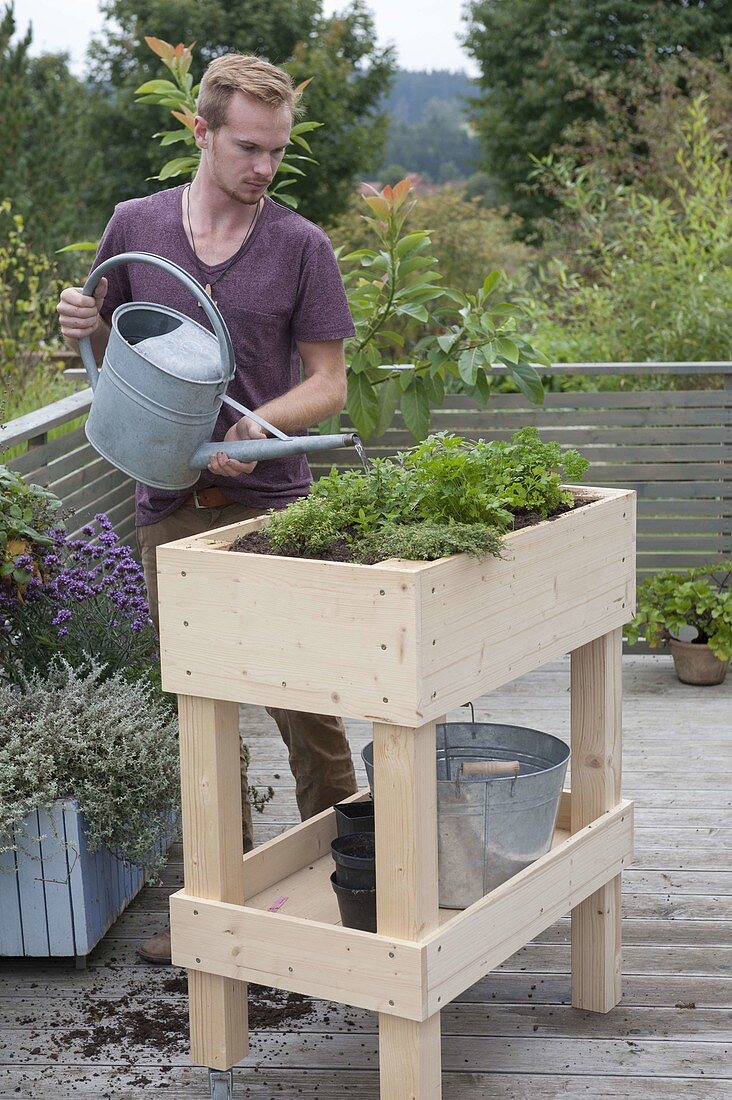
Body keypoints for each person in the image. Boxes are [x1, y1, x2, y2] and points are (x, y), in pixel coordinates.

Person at [57, 53, 358, 963]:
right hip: (168, 508)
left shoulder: (300, 245)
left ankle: (359, 889)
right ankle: (217, 906)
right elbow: (116, 346)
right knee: (203, 713)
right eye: (247, 147)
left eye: (277, 150)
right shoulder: (136, 226)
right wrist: (83, 321)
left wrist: (260, 424)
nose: (264, 166)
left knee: (310, 709)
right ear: (202, 131)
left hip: (274, 511)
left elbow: (330, 385)